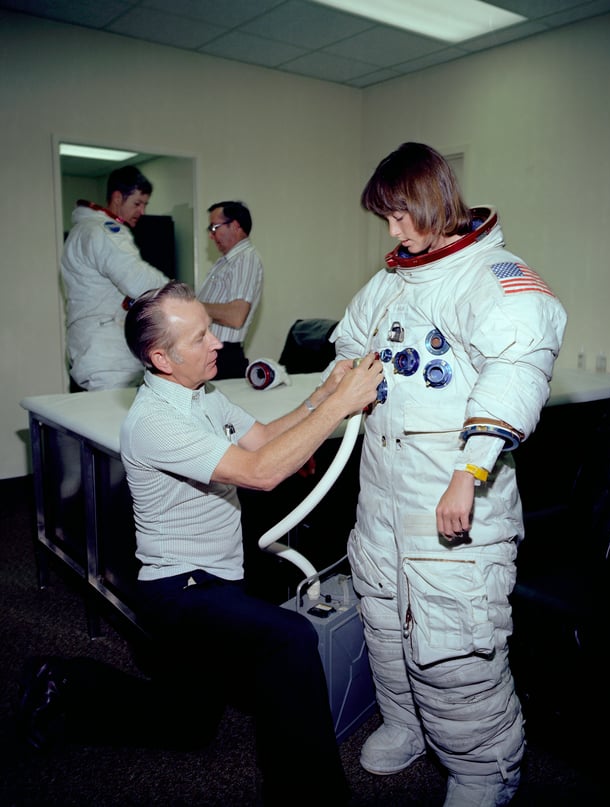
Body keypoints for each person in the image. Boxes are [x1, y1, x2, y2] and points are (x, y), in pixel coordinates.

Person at [18, 281, 383, 807]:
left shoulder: (203, 396)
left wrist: (326, 395)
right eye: (199, 338)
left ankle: (64, 682)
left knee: (187, 725)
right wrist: (343, 405)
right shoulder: (154, 422)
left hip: (220, 578)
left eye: (210, 330)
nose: (216, 343)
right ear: (161, 357)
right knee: (289, 638)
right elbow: (260, 472)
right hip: (178, 592)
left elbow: (263, 439)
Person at [327, 143, 567, 806]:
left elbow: (518, 370)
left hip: (454, 493)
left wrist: (470, 470)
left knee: (453, 642)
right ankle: (407, 725)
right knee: (383, 619)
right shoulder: (391, 282)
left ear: (433, 200)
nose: (395, 231)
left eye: (402, 214)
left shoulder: (495, 276)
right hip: (382, 497)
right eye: (387, 219)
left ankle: (487, 765)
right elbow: (349, 354)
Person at [61, 164, 169, 391]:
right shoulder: (103, 231)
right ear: (118, 198)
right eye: (137, 203)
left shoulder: (83, 231)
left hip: (93, 349)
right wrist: (178, 294)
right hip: (107, 356)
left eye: (145, 204)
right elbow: (139, 281)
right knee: (111, 423)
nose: (142, 211)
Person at [197, 200, 263, 379]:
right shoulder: (226, 262)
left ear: (235, 226)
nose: (211, 235)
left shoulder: (246, 259)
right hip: (212, 354)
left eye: (214, 227)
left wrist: (191, 306)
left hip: (223, 358)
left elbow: (236, 316)